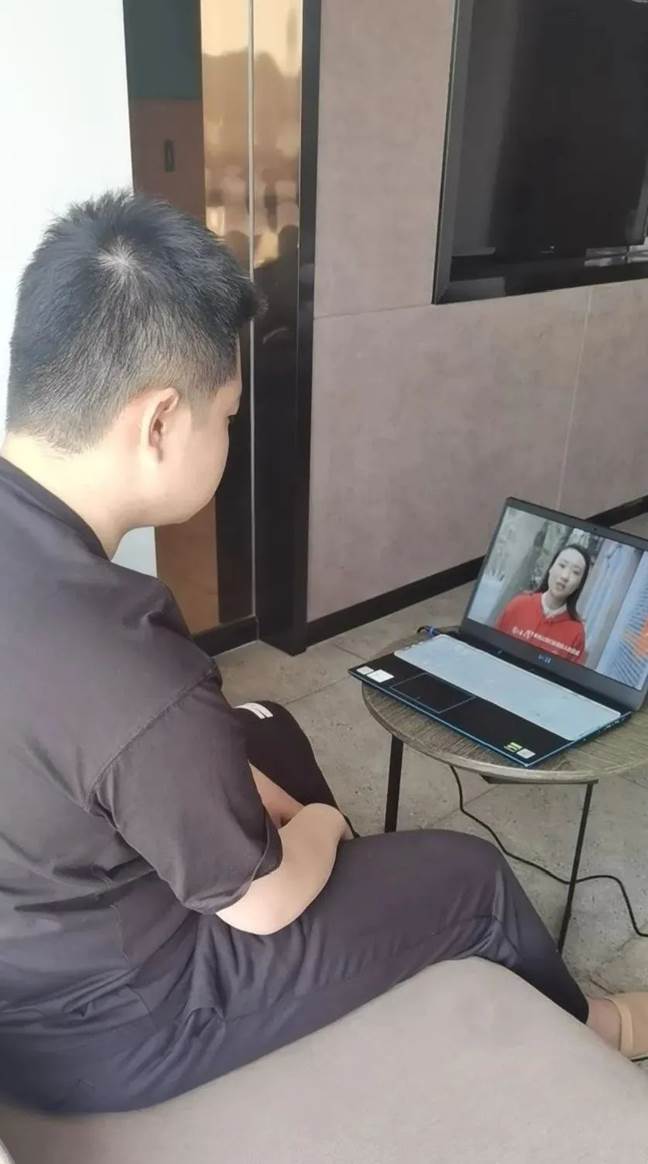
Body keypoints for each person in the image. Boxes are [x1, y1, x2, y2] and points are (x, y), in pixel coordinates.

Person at [0, 193, 645, 1115]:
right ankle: (602, 1030)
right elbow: (259, 903)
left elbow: (118, 743)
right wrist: (319, 829)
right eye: (228, 415)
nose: (230, 435)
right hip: (110, 1025)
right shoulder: (126, 659)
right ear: (159, 423)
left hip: (36, 932)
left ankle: (365, 945)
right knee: (468, 877)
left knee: (269, 729)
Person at [495, 544, 591, 663]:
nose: (565, 576)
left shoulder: (576, 634)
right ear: (551, 568)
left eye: (575, 572)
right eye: (562, 565)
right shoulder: (518, 605)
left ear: (579, 584)